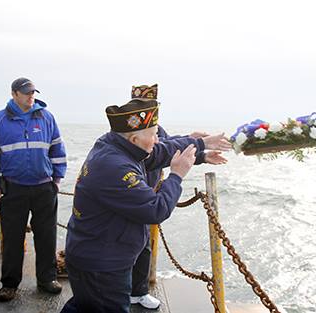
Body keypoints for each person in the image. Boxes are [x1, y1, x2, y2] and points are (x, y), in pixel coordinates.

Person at [60, 95, 224, 313]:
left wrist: (200, 147)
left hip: (94, 252)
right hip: (103, 263)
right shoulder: (116, 167)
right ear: (135, 140)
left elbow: (159, 152)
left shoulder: (114, 145)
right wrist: (176, 175)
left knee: (85, 306)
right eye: (154, 135)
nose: (158, 139)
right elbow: (156, 210)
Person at [128, 84, 230, 309]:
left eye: (152, 105)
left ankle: (138, 291)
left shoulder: (156, 130)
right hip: (131, 196)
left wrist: (200, 153)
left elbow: (168, 146)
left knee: (143, 246)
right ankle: (121, 293)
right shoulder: (130, 131)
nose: (149, 109)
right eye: (143, 105)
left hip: (148, 194)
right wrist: (197, 144)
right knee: (129, 247)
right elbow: (162, 150)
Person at [0, 78, 67, 302]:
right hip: (13, 190)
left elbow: (58, 149)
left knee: (47, 236)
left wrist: (57, 179)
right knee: (12, 239)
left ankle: (47, 279)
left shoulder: (47, 117)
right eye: (26, 93)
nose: (31, 96)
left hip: (43, 188)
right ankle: (9, 285)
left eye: (33, 92)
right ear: (14, 94)